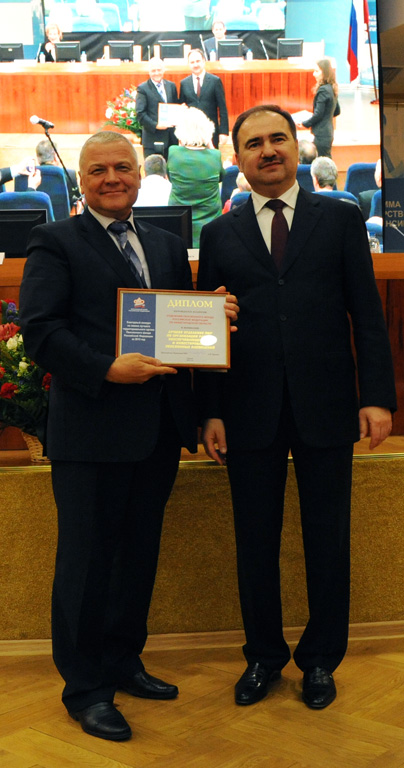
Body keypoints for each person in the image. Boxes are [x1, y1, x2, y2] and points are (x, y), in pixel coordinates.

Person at [19, 131, 238, 742]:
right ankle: (86, 689)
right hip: (90, 434)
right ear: (81, 180)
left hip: (157, 433)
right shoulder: (55, 240)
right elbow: (41, 332)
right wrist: (106, 368)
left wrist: (212, 317)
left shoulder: (166, 244)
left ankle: (122, 661)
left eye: (122, 167)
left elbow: (179, 333)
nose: (112, 178)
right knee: (87, 564)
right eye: (98, 170)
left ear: (141, 174)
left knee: (138, 558)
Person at [196, 104, 396, 712]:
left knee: (327, 540)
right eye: (254, 143)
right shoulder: (219, 234)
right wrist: (210, 411)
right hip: (246, 410)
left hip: (327, 406)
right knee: (254, 541)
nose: (268, 150)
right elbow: (206, 332)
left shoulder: (340, 218)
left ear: (296, 145)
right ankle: (262, 655)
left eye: (277, 138)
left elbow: (367, 315)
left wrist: (376, 397)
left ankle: (320, 660)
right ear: (238, 158)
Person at [168, 107, 224, 247]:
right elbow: (221, 176)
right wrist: (210, 144)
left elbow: (170, 177)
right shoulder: (215, 156)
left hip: (179, 221)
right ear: (208, 130)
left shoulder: (173, 152)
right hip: (210, 223)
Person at [179, 49, 229, 149]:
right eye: (192, 62)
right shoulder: (184, 83)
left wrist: (224, 132)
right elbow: (182, 109)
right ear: (189, 64)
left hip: (210, 132)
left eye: (198, 61)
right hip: (190, 134)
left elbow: (222, 108)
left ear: (203, 61)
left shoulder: (215, 81)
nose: (195, 65)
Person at [135, 57, 180, 161]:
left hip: (171, 140)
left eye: (159, 70)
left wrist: (180, 109)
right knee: (154, 169)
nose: (156, 73)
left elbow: (175, 106)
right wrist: (156, 125)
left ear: (163, 70)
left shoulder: (171, 86)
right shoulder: (143, 88)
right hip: (152, 140)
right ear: (149, 72)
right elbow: (140, 114)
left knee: (170, 169)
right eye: (153, 70)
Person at [301, 59, 340, 158]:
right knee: (325, 159)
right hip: (328, 132)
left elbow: (318, 114)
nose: (313, 74)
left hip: (322, 134)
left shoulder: (323, 90)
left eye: (317, 71)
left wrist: (304, 124)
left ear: (324, 73)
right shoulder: (332, 88)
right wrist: (327, 115)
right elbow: (337, 111)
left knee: (322, 162)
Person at [35, 138, 80, 206]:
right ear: (55, 156)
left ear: (38, 158)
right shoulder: (69, 175)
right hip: (64, 213)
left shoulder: (29, 176)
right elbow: (77, 202)